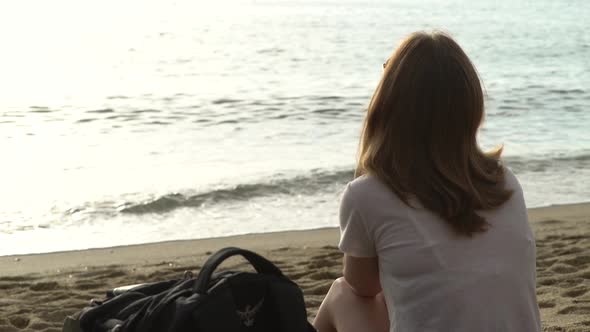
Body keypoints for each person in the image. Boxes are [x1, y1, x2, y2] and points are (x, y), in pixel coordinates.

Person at [312, 31, 542, 332]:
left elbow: (363, 287)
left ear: (388, 105)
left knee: (342, 295)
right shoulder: (504, 182)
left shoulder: (367, 196)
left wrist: (371, 154)